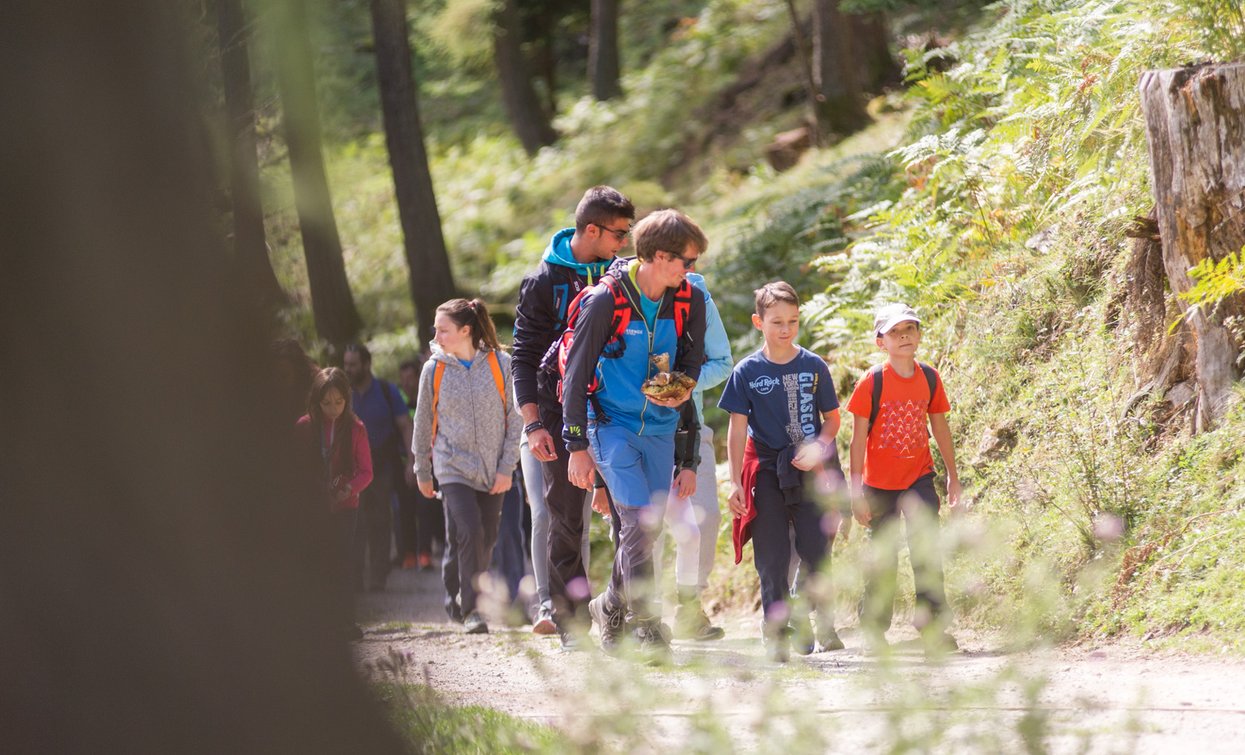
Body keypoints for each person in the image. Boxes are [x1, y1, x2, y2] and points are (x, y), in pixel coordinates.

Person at [562, 209, 709, 662]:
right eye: (686, 261)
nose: (691, 270)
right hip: (611, 428)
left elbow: (691, 366)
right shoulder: (605, 301)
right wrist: (577, 446)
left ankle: (609, 607)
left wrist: (681, 408)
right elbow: (575, 376)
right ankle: (646, 624)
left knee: (641, 529)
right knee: (641, 520)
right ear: (659, 256)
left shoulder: (690, 300)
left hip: (661, 431)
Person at [511, 186, 635, 647]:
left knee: (631, 514)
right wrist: (533, 422)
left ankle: (622, 613)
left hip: (619, 410)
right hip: (558, 415)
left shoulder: (626, 275)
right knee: (565, 519)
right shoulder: (544, 280)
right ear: (590, 230)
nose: (625, 242)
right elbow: (523, 357)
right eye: (619, 233)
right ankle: (572, 624)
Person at [721, 281, 847, 663]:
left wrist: (818, 448)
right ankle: (774, 630)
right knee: (772, 555)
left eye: (792, 321)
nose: (786, 329)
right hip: (765, 472)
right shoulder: (746, 371)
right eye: (777, 321)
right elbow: (737, 429)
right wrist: (735, 482)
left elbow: (833, 420)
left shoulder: (813, 365)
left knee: (817, 548)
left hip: (809, 470)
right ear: (759, 322)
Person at [846, 303, 961, 656]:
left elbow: (939, 426)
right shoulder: (872, 382)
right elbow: (857, 439)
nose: (905, 336)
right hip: (878, 485)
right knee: (883, 559)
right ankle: (873, 631)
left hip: (919, 478)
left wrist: (953, 477)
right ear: (881, 341)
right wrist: (855, 493)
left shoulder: (929, 377)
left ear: (920, 335)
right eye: (895, 331)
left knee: (927, 552)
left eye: (910, 328)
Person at [412, 298, 522, 635]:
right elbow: (422, 421)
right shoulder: (435, 368)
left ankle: (454, 587)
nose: (436, 335)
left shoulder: (500, 363)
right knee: (471, 531)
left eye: (443, 329)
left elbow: (514, 418)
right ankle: (472, 609)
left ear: (465, 330)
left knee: (483, 538)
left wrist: (507, 467)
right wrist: (422, 470)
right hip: (451, 466)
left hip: (493, 469)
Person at [652, 270, 733, 641]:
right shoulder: (627, 295)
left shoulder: (699, 295)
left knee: (705, 518)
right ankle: (646, 613)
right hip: (638, 430)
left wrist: (682, 386)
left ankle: (689, 606)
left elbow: (723, 361)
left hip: (691, 427)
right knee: (646, 527)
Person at [295, 367, 373, 639]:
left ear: (347, 399)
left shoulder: (355, 428)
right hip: (313, 507)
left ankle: (345, 621)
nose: (333, 408)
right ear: (316, 401)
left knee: (342, 561)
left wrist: (349, 489)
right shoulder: (304, 427)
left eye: (339, 402)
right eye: (326, 403)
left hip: (345, 507)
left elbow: (366, 471)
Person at [343, 344, 412, 593]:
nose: (348, 369)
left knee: (380, 520)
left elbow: (405, 425)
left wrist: (412, 461)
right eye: (346, 364)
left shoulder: (386, 391)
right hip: (349, 468)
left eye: (353, 364)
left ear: (366, 364)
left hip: (382, 466)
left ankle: (378, 576)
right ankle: (355, 578)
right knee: (355, 522)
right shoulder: (343, 392)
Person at [398, 357, 445, 571]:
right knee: (405, 510)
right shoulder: (398, 401)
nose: (407, 382)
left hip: (430, 463)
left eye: (411, 377)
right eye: (403, 378)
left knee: (426, 509)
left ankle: (425, 553)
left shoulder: (427, 398)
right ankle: (408, 554)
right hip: (403, 464)